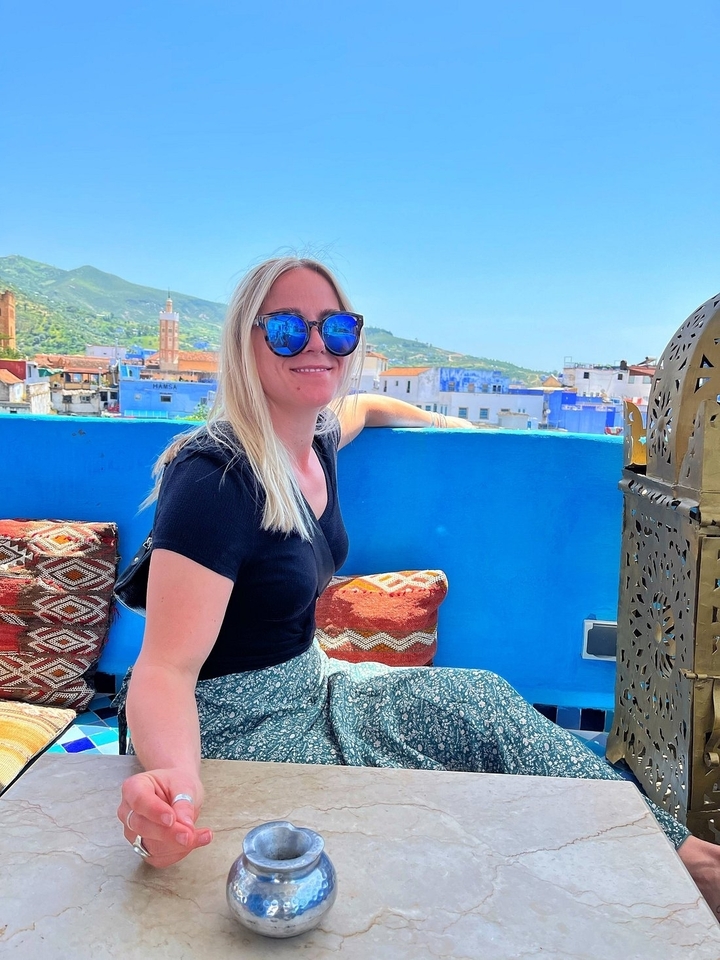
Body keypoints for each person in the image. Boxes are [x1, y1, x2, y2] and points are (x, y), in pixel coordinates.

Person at [117, 255, 720, 916]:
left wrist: (447, 424)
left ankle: (674, 852)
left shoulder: (311, 439)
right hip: (233, 724)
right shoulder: (215, 479)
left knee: (481, 701)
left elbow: (368, 407)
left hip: (314, 683)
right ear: (245, 342)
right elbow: (164, 671)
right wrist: (175, 785)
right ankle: (665, 869)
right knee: (431, 806)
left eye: (336, 329)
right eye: (288, 330)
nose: (317, 345)